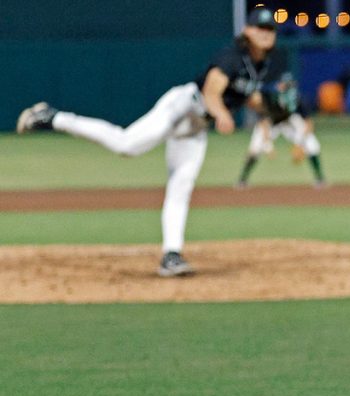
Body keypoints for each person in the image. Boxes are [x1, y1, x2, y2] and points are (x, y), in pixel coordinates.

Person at [15, 8, 288, 277]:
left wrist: (269, 108)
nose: (266, 34)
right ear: (247, 31)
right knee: (127, 144)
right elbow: (211, 93)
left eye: (270, 29)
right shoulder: (232, 57)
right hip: (183, 107)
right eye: (260, 28)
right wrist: (223, 115)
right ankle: (53, 117)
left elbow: (244, 95)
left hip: (196, 127)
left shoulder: (263, 65)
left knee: (181, 184)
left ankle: (172, 255)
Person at [236, 75, 325, 189]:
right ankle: (242, 180)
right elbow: (263, 123)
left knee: (312, 145)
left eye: (290, 85)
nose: (287, 88)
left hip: (289, 122)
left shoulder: (298, 98)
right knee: (255, 148)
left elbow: (308, 124)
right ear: (279, 85)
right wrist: (268, 146)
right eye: (285, 85)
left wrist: (299, 144)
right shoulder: (269, 97)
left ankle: (320, 179)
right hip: (271, 122)